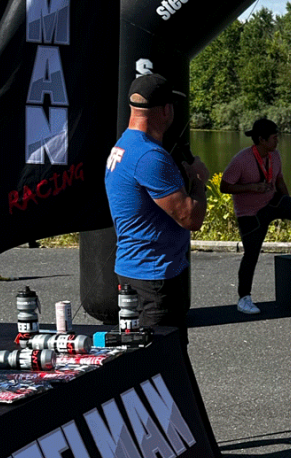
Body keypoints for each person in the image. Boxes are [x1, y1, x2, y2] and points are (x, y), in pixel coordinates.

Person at [104, 74, 209, 345]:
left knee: (141, 362)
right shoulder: (150, 156)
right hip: (155, 278)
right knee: (164, 361)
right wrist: (198, 181)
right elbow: (190, 217)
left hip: (133, 271)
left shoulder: (123, 146)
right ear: (165, 110)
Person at [221, 118, 291, 316]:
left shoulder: (274, 155)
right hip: (250, 214)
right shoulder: (241, 160)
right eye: (274, 137)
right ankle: (244, 299)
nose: (278, 141)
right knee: (251, 256)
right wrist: (251, 187)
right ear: (262, 140)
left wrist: (288, 203)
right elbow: (224, 186)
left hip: (271, 202)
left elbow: (279, 180)